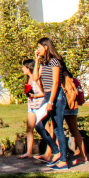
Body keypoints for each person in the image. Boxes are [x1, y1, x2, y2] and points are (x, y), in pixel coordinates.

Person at [32, 37, 69, 170]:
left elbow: (55, 83)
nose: (38, 49)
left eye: (39, 47)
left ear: (46, 47)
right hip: (47, 96)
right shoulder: (45, 62)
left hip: (56, 96)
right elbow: (35, 78)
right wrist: (36, 60)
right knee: (39, 125)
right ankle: (57, 151)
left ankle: (64, 161)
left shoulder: (55, 61)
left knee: (58, 128)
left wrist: (51, 101)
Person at [19, 59, 45, 159]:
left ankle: (53, 150)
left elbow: (43, 93)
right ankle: (29, 152)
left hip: (39, 106)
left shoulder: (36, 78)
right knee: (29, 128)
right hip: (31, 106)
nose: (22, 69)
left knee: (46, 128)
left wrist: (34, 96)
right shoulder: (28, 79)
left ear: (29, 68)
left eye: (24, 67)